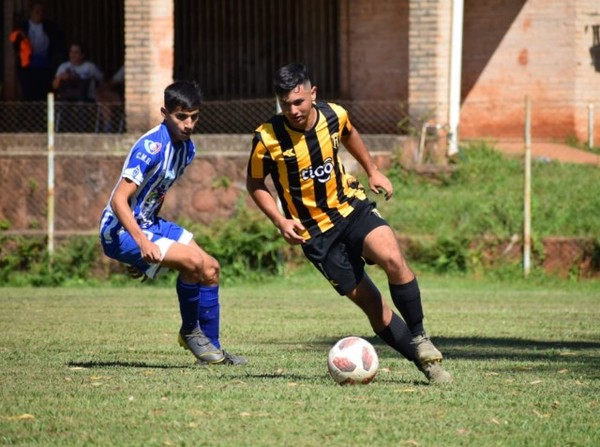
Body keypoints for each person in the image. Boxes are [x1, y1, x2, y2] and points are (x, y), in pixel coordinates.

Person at [246, 63, 451, 384]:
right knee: (375, 307)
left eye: (298, 102)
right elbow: (255, 183)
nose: (293, 110)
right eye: (285, 104)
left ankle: (421, 336)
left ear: (313, 94)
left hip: (350, 208)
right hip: (316, 236)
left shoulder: (333, 115)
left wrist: (372, 170)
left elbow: (350, 133)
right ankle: (428, 365)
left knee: (393, 258)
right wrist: (279, 220)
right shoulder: (267, 137)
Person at [99, 80, 245, 366]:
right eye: (181, 116)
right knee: (192, 262)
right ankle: (190, 331)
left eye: (194, 117)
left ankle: (211, 352)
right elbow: (119, 200)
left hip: (150, 223)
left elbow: (156, 191)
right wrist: (141, 243)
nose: (188, 124)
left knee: (211, 267)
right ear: (164, 112)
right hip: (118, 230)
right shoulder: (151, 147)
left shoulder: (187, 149)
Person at [9, 0, 65, 101]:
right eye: (37, 11)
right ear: (31, 12)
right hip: (27, 66)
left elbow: (57, 43)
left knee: (44, 94)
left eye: (41, 11)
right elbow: (15, 43)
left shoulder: (50, 26)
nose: (39, 13)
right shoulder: (23, 26)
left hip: (45, 65)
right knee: (28, 94)